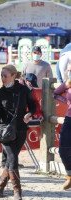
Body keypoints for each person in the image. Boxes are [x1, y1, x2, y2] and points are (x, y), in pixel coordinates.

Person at [0, 65, 36, 200]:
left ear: (14, 76)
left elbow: (33, 106)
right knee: (13, 159)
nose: (2, 78)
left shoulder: (24, 90)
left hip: (21, 130)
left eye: (5, 75)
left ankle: (0, 188)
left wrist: (29, 114)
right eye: (1, 75)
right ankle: (17, 191)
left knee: (9, 161)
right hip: (5, 131)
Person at [54, 62, 71, 190]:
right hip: (69, 119)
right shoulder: (67, 83)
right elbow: (55, 93)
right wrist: (66, 101)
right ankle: (70, 175)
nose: (69, 72)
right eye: (69, 70)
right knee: (63, 149)